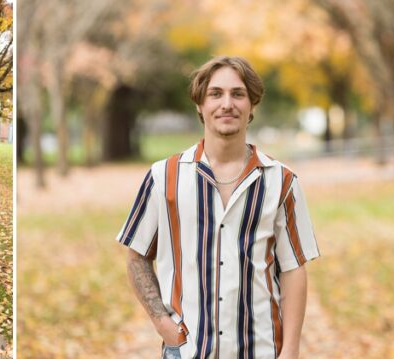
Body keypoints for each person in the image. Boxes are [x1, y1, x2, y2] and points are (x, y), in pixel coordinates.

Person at [117, 56, 320, 359]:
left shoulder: (281, 181)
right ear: (200, 104)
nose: (227, 104)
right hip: (187, 352)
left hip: (261, 351)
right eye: (216, 93)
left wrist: (290, 350)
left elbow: (293, 270)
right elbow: (136, 257)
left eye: (238, 94)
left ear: (252, 104)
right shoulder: (164, 177)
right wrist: (165, 327)